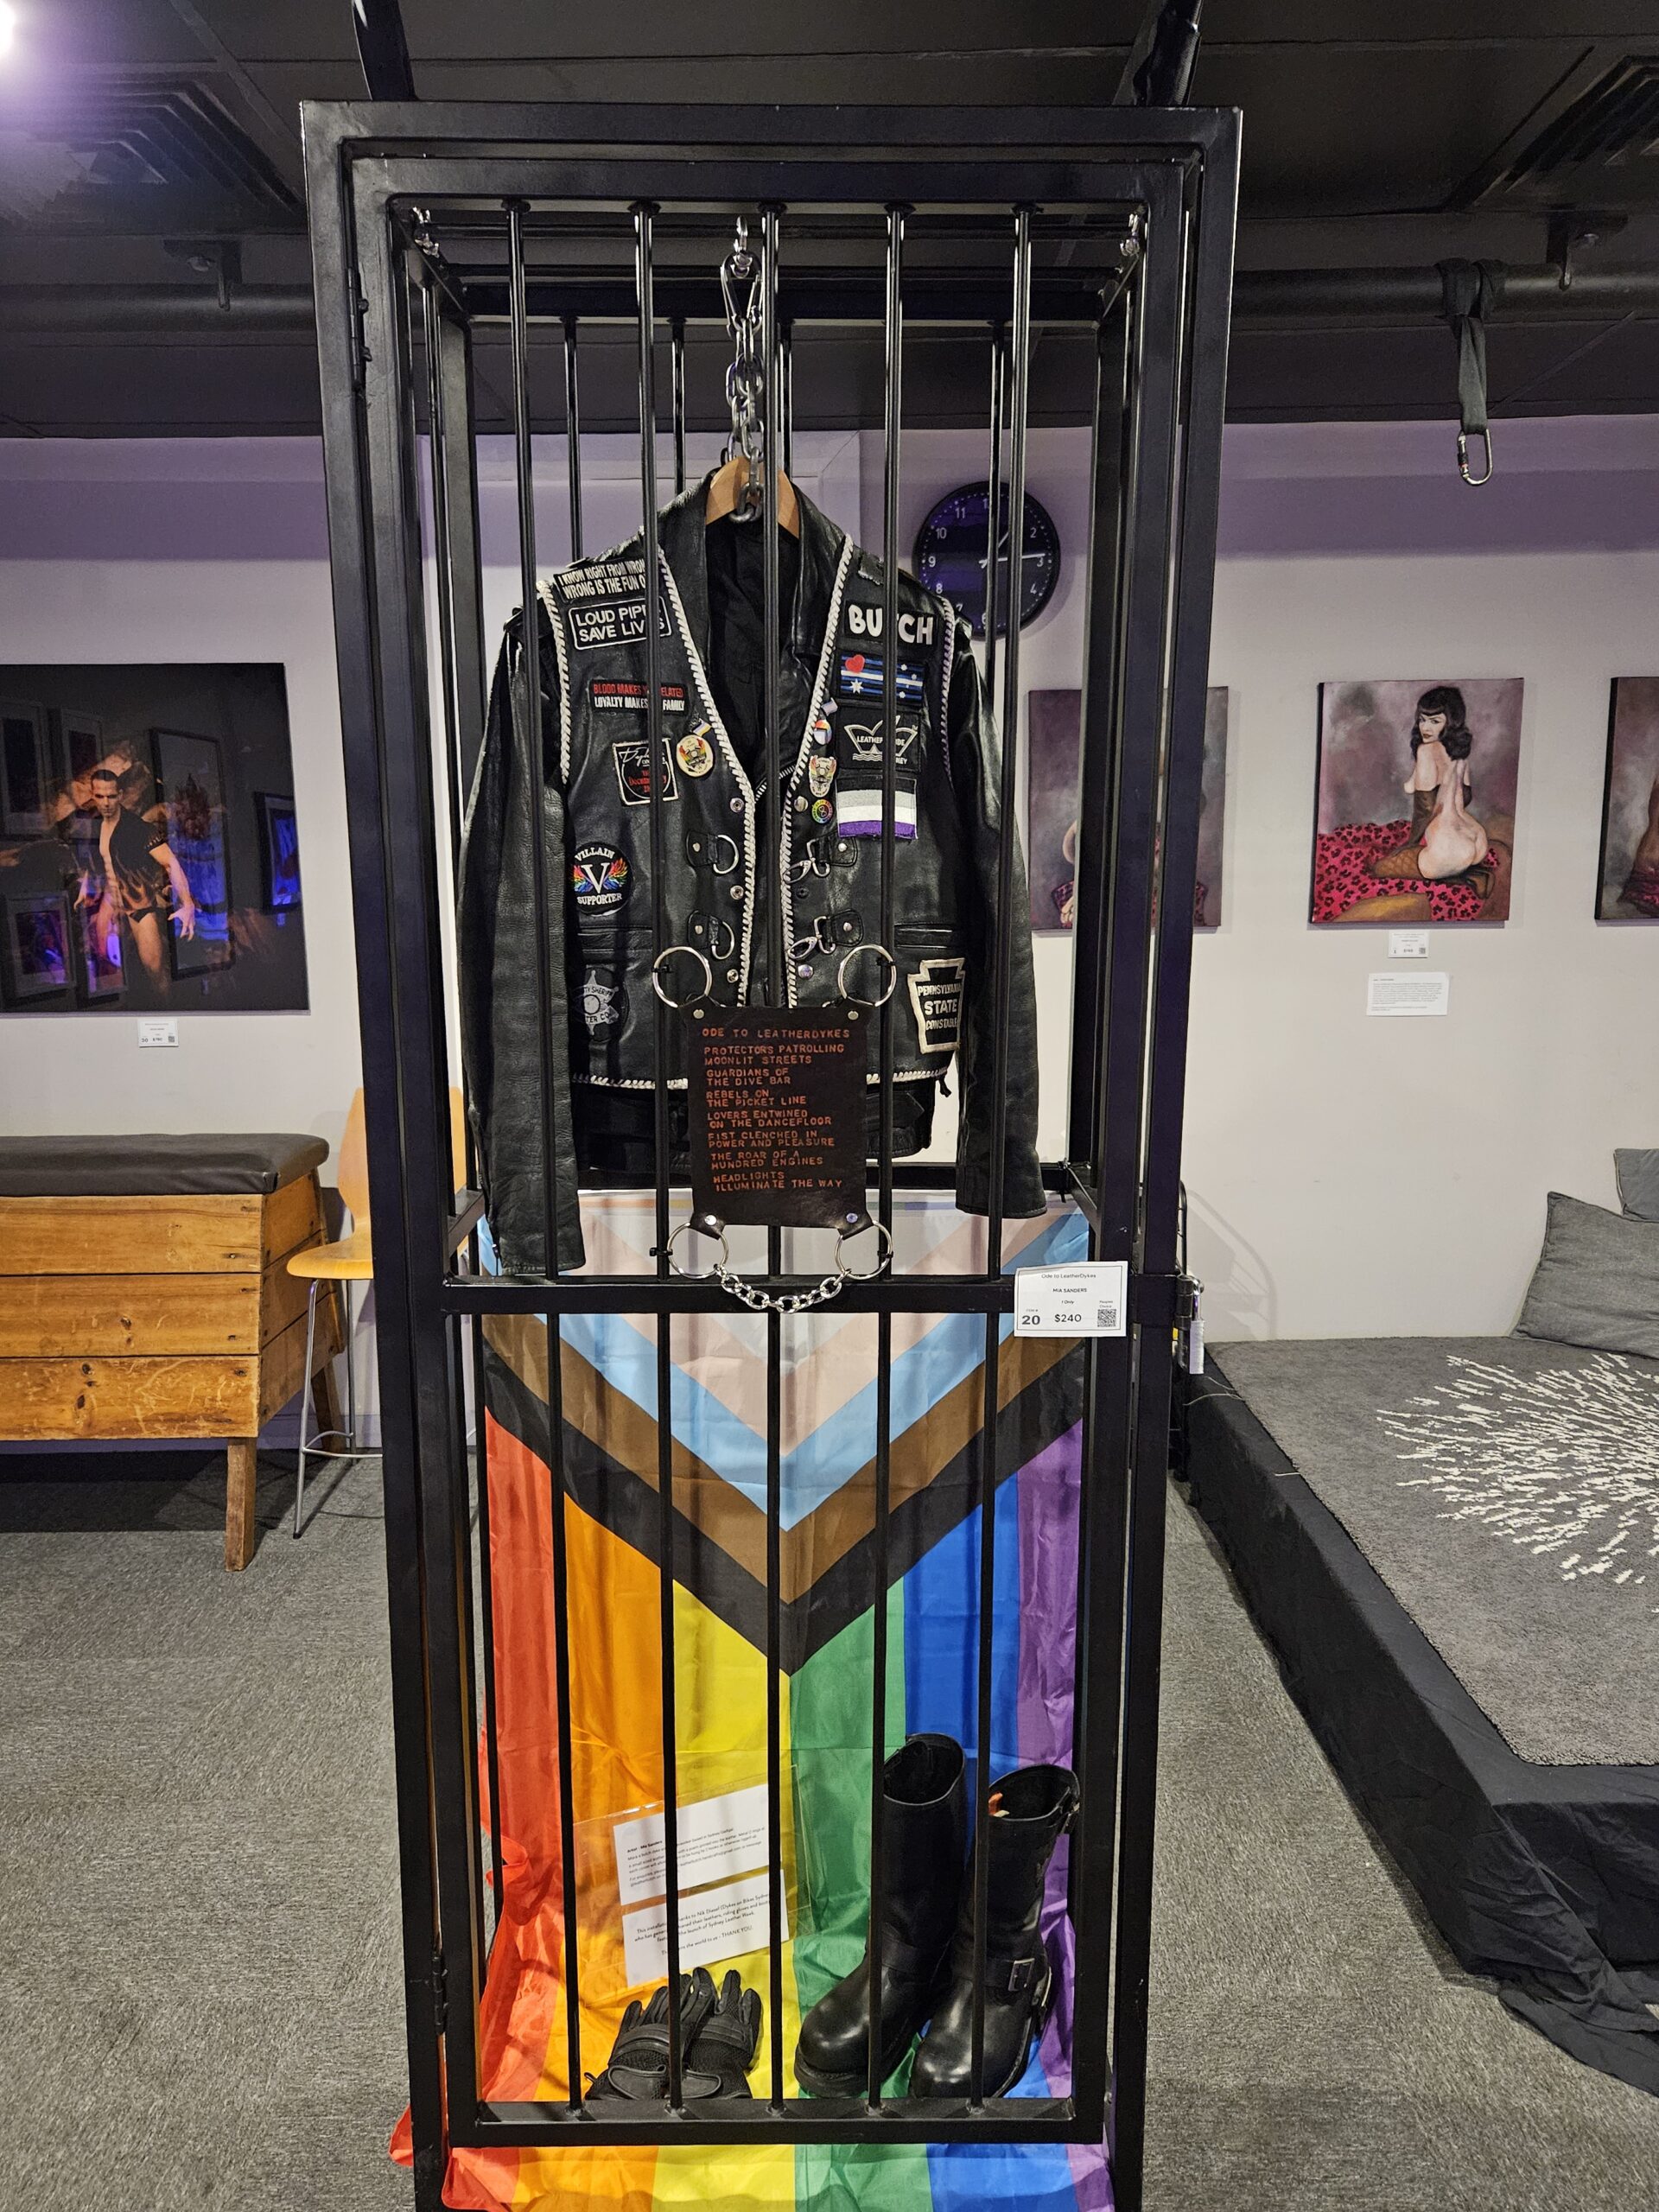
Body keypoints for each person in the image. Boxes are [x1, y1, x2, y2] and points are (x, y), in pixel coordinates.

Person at [64, 766, 195, 992]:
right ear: (93, 795)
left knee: (155, 971)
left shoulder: (137, 828)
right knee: (110, 967)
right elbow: (95, 861)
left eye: (111, 796)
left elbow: (170, 862)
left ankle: (165, 1008)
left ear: (120, 795)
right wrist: (85, 888)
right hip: (110, 902)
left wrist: (188, 903)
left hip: (139, 903)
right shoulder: (93, 827)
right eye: (100, 796)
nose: (106, 803)